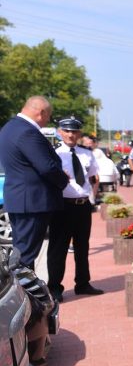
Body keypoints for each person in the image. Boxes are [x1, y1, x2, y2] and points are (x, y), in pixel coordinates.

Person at [0, 96, 69, 267]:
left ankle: (23, 291)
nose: (47, 121)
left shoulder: (9, 128)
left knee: (21, 251)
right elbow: (46, 167)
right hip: (32, 202)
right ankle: (24, 293)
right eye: (48, 116)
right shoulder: (27, 131)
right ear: (41, 112)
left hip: (20, 199)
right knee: (25, 257)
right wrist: (63, 180)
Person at [46, 115, 103, 300]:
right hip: (62, 207)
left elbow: (93, 177)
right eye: (67, 131)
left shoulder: (87, 153)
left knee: (82, 246)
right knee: (58, 249)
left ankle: (83, 283)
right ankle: (54, 288)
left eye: (74, 131)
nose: (71, 134)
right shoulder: (53, 153)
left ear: (79, 133)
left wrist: (92, 199)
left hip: (82, 205)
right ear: (60, 132)